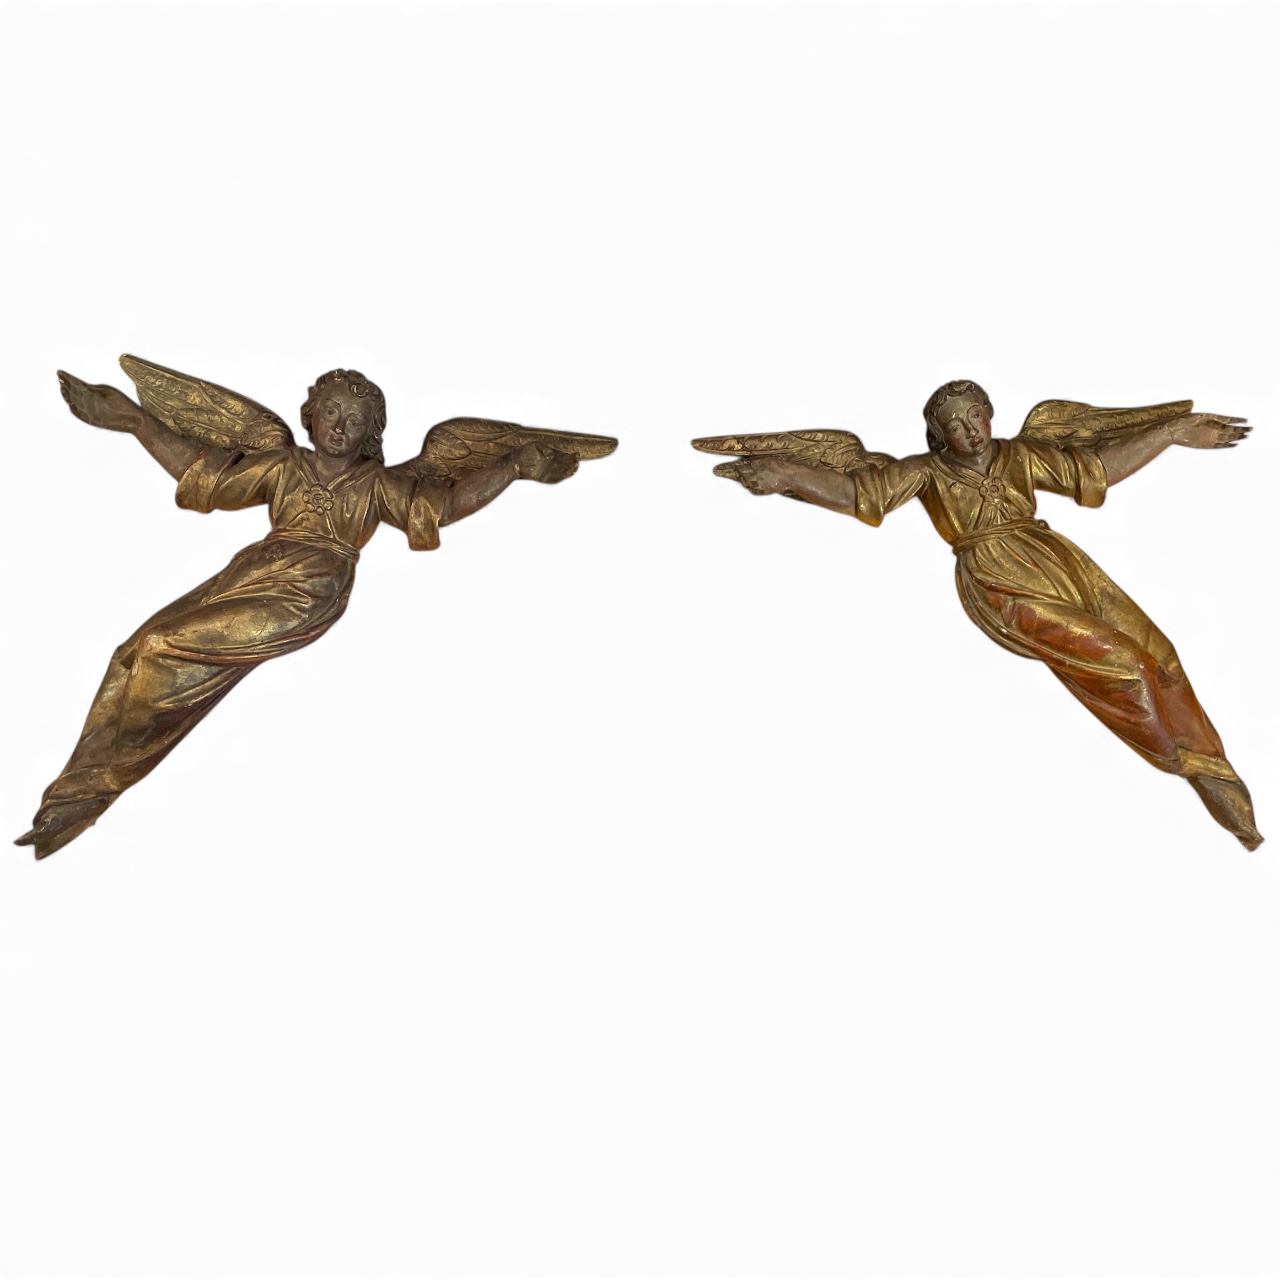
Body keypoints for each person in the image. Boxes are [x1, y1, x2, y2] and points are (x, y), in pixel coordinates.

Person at [16, 369, 576, 859]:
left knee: (162, 649)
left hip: (309, 589)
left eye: (354, 420)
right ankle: (72, 802)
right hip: (251, 572)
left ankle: (92, 791)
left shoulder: (377, 483)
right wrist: (136, 421)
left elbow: (441, 506)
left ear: (370, 432)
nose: (339, 427)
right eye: (330, 412)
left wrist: (512, 466)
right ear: (310, 415)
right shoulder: (285, 465)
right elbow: (208, 476)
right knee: (131, 655)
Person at [727, 380, 1262, 850]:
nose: (970, 432)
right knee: (1127, 668)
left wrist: (1170, 432)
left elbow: (1096, 469)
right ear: (940, 436)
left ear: (989, 415)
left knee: (1161, 659)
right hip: (1000, 582)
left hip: (1062, 562)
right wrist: (787, 473)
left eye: (975, 416)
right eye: (955, 426)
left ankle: (1216, 775)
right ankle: (1187, 764)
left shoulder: (1020, 454)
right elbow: (860, 493)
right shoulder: (926, 471)